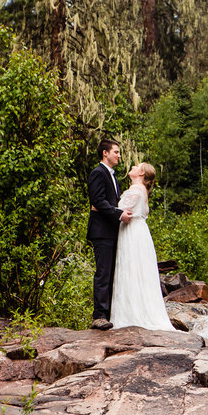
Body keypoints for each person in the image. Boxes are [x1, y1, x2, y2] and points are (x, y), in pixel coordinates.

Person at [109, 163, 175, 331]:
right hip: (137, 231)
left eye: (137, 166)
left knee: (131, 269)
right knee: (136, 270)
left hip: (132, 232)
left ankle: (132, 315)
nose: (133, 166)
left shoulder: (137, 190)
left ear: (142, 174)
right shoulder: (139, 189)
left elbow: (121, 210)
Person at [86, 139, 132, 330]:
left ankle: (111, 313)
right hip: (102, 232)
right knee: (103, 273)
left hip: (112, 231)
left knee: (113, 273)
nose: (119, 155)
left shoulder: (112, 176)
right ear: (105, 153)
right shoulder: (98, 173)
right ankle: (99, 316)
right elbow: (97, 200)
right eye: (116, 152)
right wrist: (118, 214)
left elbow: (110, 202)